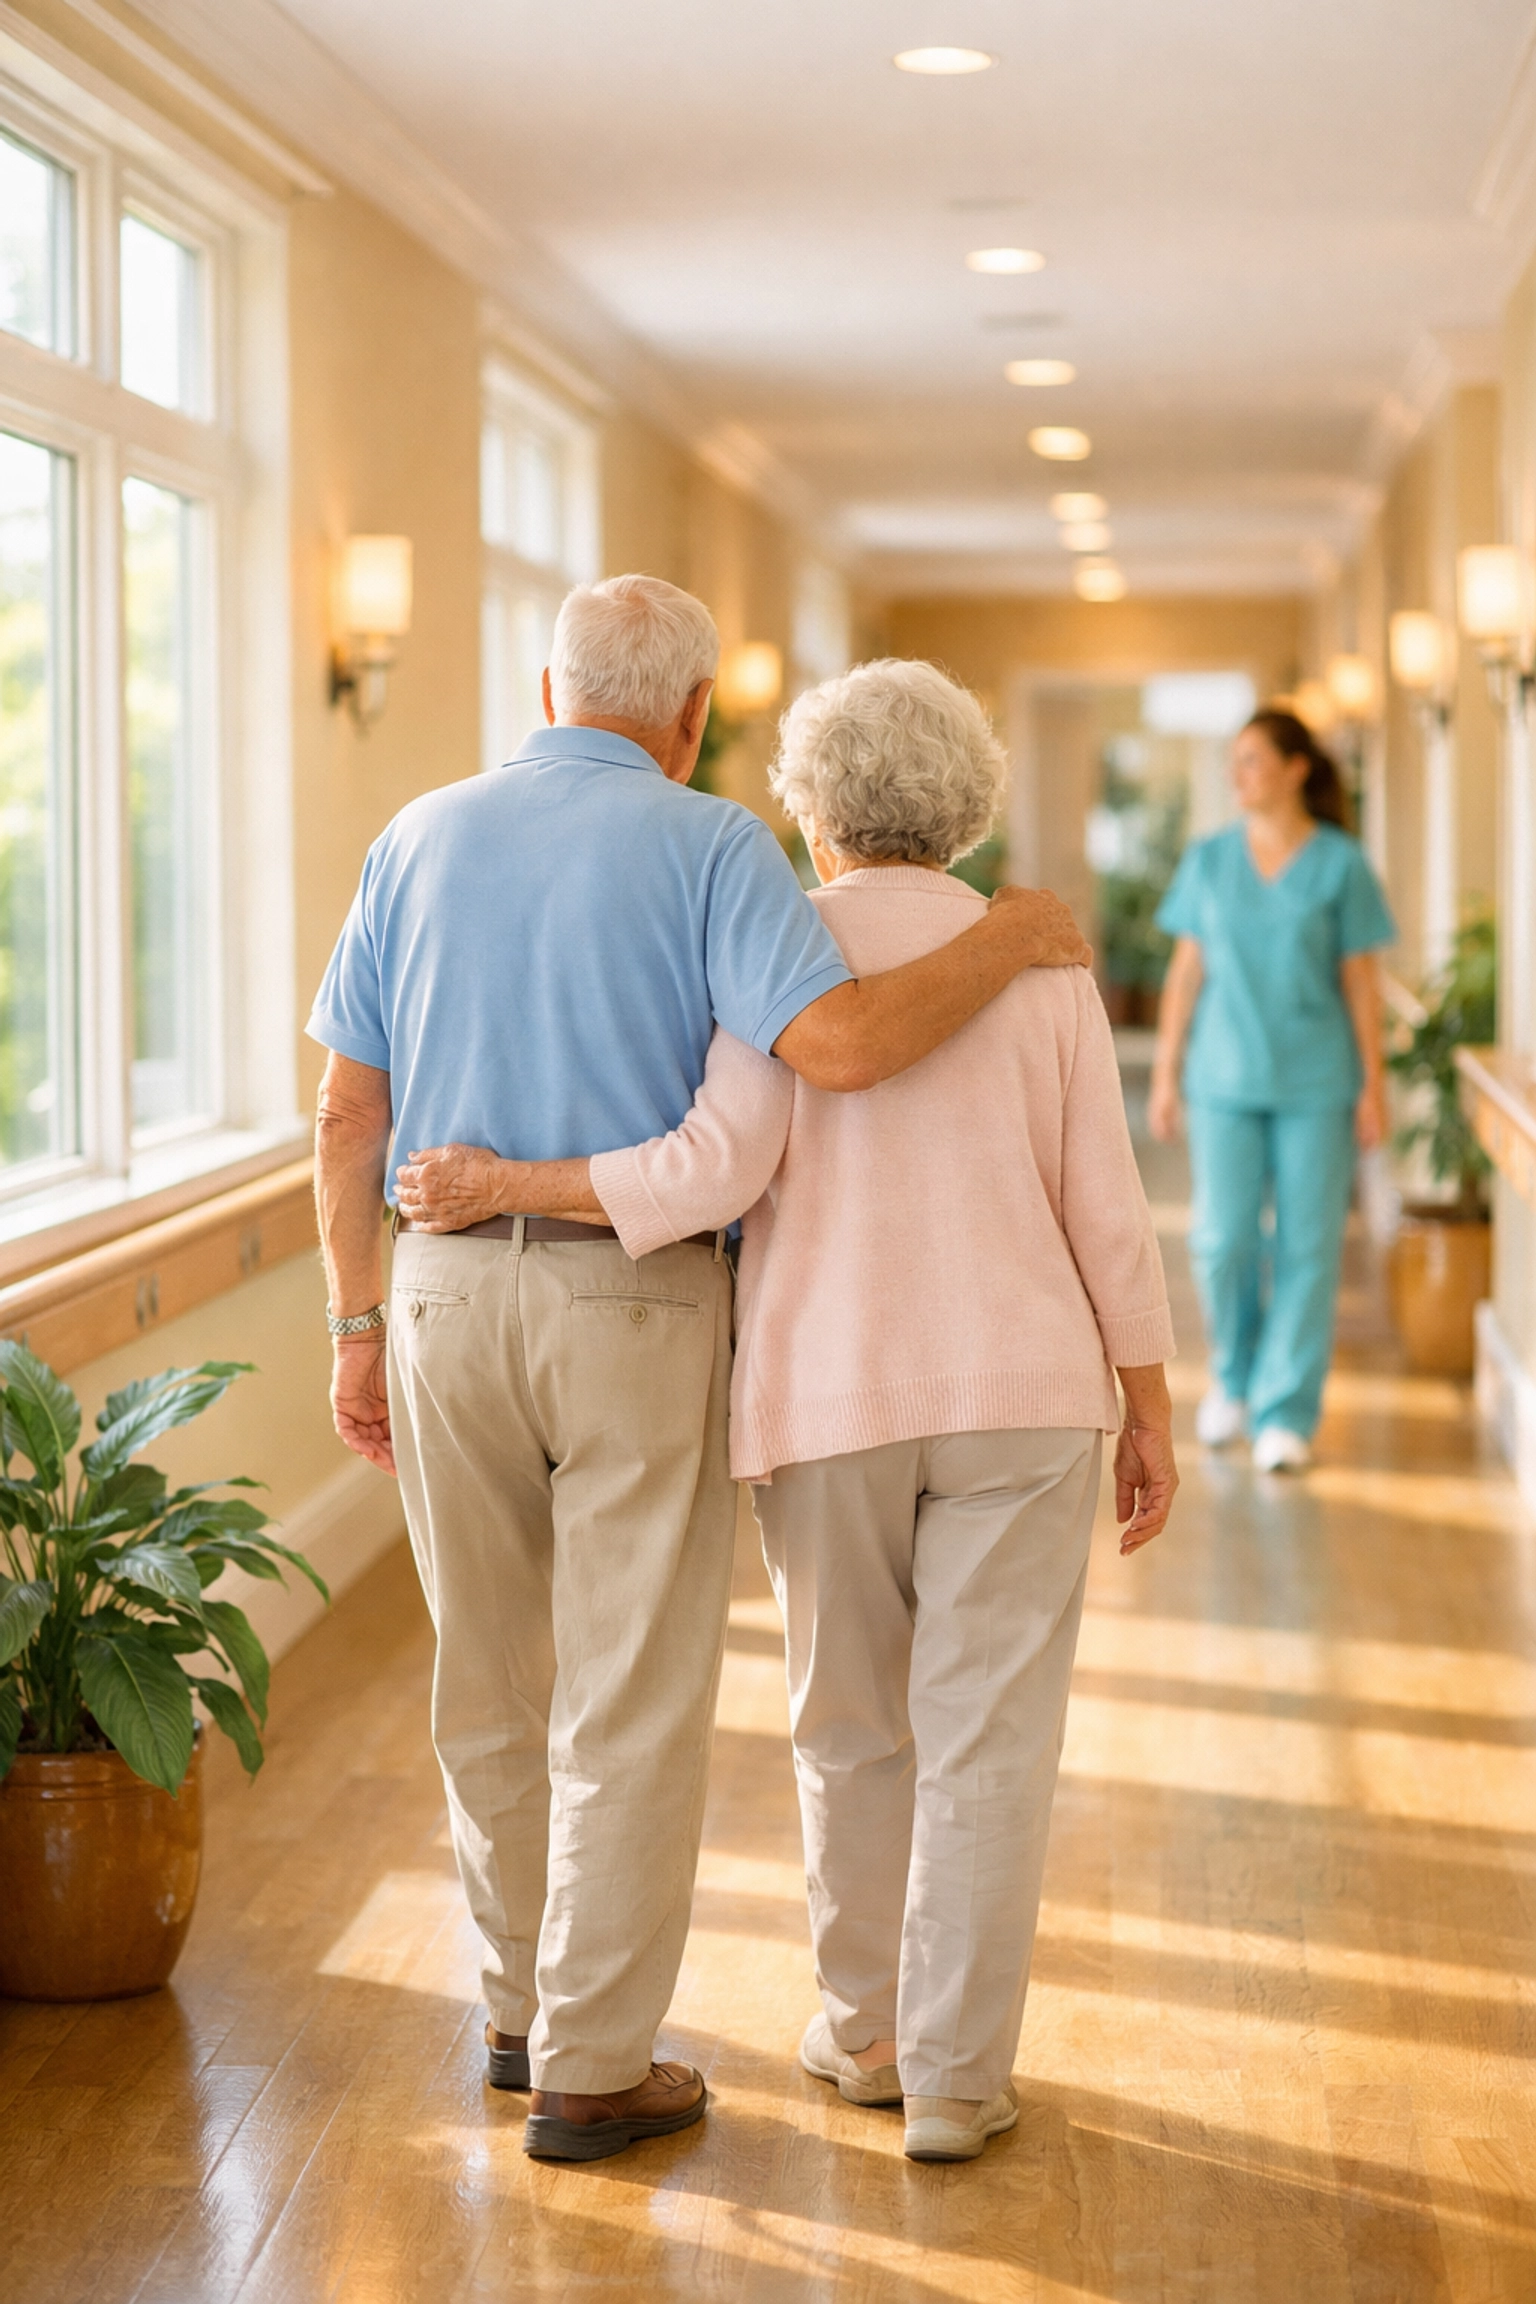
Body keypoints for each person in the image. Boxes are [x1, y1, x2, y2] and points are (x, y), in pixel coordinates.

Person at [310, 582, 1092, 2165]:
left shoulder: (415, 836)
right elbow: (846, 1052)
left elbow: (344, 1117)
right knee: (631, 1693)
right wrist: (1012, 929)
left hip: (440, 1297)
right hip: (639, 1301)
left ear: (546, 686)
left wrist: (351, 1323)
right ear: (690, 715)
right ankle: (597, 2064)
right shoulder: (716, 847)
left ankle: (518, 2011)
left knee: (484, 1673)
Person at [1148, 707, 1396, 1473]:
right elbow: (1186, 974)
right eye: (1234, 761)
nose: (1237, 774)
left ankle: (1287, 1408)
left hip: (1317, 1082)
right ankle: (1234, 1380)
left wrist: (1374, 1086)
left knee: (1308, 1247)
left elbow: (1361, 985)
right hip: (1223, 1079)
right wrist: (1164, 1073)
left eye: (1252, 759)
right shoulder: (1210, 860)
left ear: (1295, 769)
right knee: (1221, 1241)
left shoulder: (1341, 864)